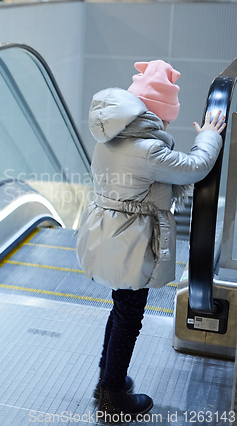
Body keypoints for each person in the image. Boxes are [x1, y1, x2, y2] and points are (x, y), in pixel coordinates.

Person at [76, 60, 225, 421]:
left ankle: (106, 380)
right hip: (132, 241)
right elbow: (194, 166)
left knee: (120, 307)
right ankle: (112, 396)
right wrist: (210, 134)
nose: (168, 124)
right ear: (155, 112)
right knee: (130, 315)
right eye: (167, 117)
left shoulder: (110, 136)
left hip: (108, 233)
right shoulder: (148, 149)